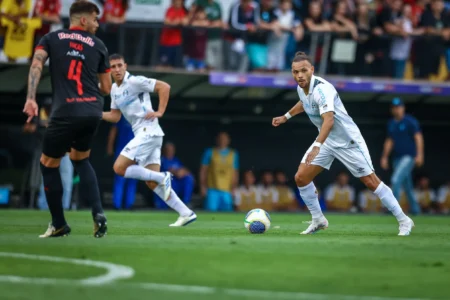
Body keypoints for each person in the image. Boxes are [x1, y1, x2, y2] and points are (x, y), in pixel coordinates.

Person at [272, 51, 414, 236]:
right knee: (301, 177)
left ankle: (404, 220)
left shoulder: (323, 89)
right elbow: (305, 102)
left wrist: (316, 145)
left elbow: (329, 121)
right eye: (295, 72)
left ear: (312, 70)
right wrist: (286, 116)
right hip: (327, 141)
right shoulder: (302, 87)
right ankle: (318, 219)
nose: (299, 75)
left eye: (303, 71)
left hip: (349, 142)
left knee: (370, 182)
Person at [22, 0, 111, 238]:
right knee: (81, 160)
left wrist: (31, 97)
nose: (97, 23)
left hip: (65, 112)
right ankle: (98, 214)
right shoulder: (100, 45)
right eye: (95, 19)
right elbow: (106, 87)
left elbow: (37, 64)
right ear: (83, 20)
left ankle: (59, 223)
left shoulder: (51, 38)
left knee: (47, 164)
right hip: (92, 111)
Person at [102, 53, 197, 227]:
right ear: (109, 70)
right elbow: (115, 116)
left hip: (148, 132)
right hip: (147, 135)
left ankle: (163, 176)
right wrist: (97, 114)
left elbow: (164, 87)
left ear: (126, 66)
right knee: (152, 183)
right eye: (113, 66)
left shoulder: (135, 81)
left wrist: (160, 112)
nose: (117, 69)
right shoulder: (115, 91)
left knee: (119, 168)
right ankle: (186, 212)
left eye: (119, 65)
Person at [381, 98, 423, 215]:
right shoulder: (392, 123)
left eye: (398, 107)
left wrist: (420, 155)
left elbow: (418, 138)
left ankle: (393, 209)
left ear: (403, 108)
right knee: (407, 185)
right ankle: (415, 210)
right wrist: (384, 157)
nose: (396, 110)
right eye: (394, 108)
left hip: (408, 157)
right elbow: (389, 141)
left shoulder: (410, 121)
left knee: (395, 180)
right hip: (396, 158)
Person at [199, 132, 239, 211]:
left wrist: (234, 188)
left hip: (227, 190)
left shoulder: (233, 154)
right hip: (212, 189)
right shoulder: (209, 152)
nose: (222, 140)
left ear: (228, 140)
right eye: (220, 138)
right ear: (217, 140)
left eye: (225, 139)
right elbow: (203, 170)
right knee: (210, 214)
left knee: (227, 215)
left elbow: (235, 172)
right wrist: (202, 186)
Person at [106, 116, 137, 210]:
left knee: (133, 177)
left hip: (135, 151)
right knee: (120, 177)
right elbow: (113, 131)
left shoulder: (140, 115)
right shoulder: (122, 115)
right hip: (122, 151)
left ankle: (129, 204)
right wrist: (110, 147)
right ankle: (117, 204)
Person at [154, 142, 195, 209]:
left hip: (177, 184)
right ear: (164, 150)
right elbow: (169, 171)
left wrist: (183, 172)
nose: (170, 151)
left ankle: (186, 202)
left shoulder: (176, 160)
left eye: (172, 150)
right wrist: (176, 172)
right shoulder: (161, 160)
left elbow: (183, 170)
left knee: (189, 178)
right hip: (166, 186)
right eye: (168, 150)